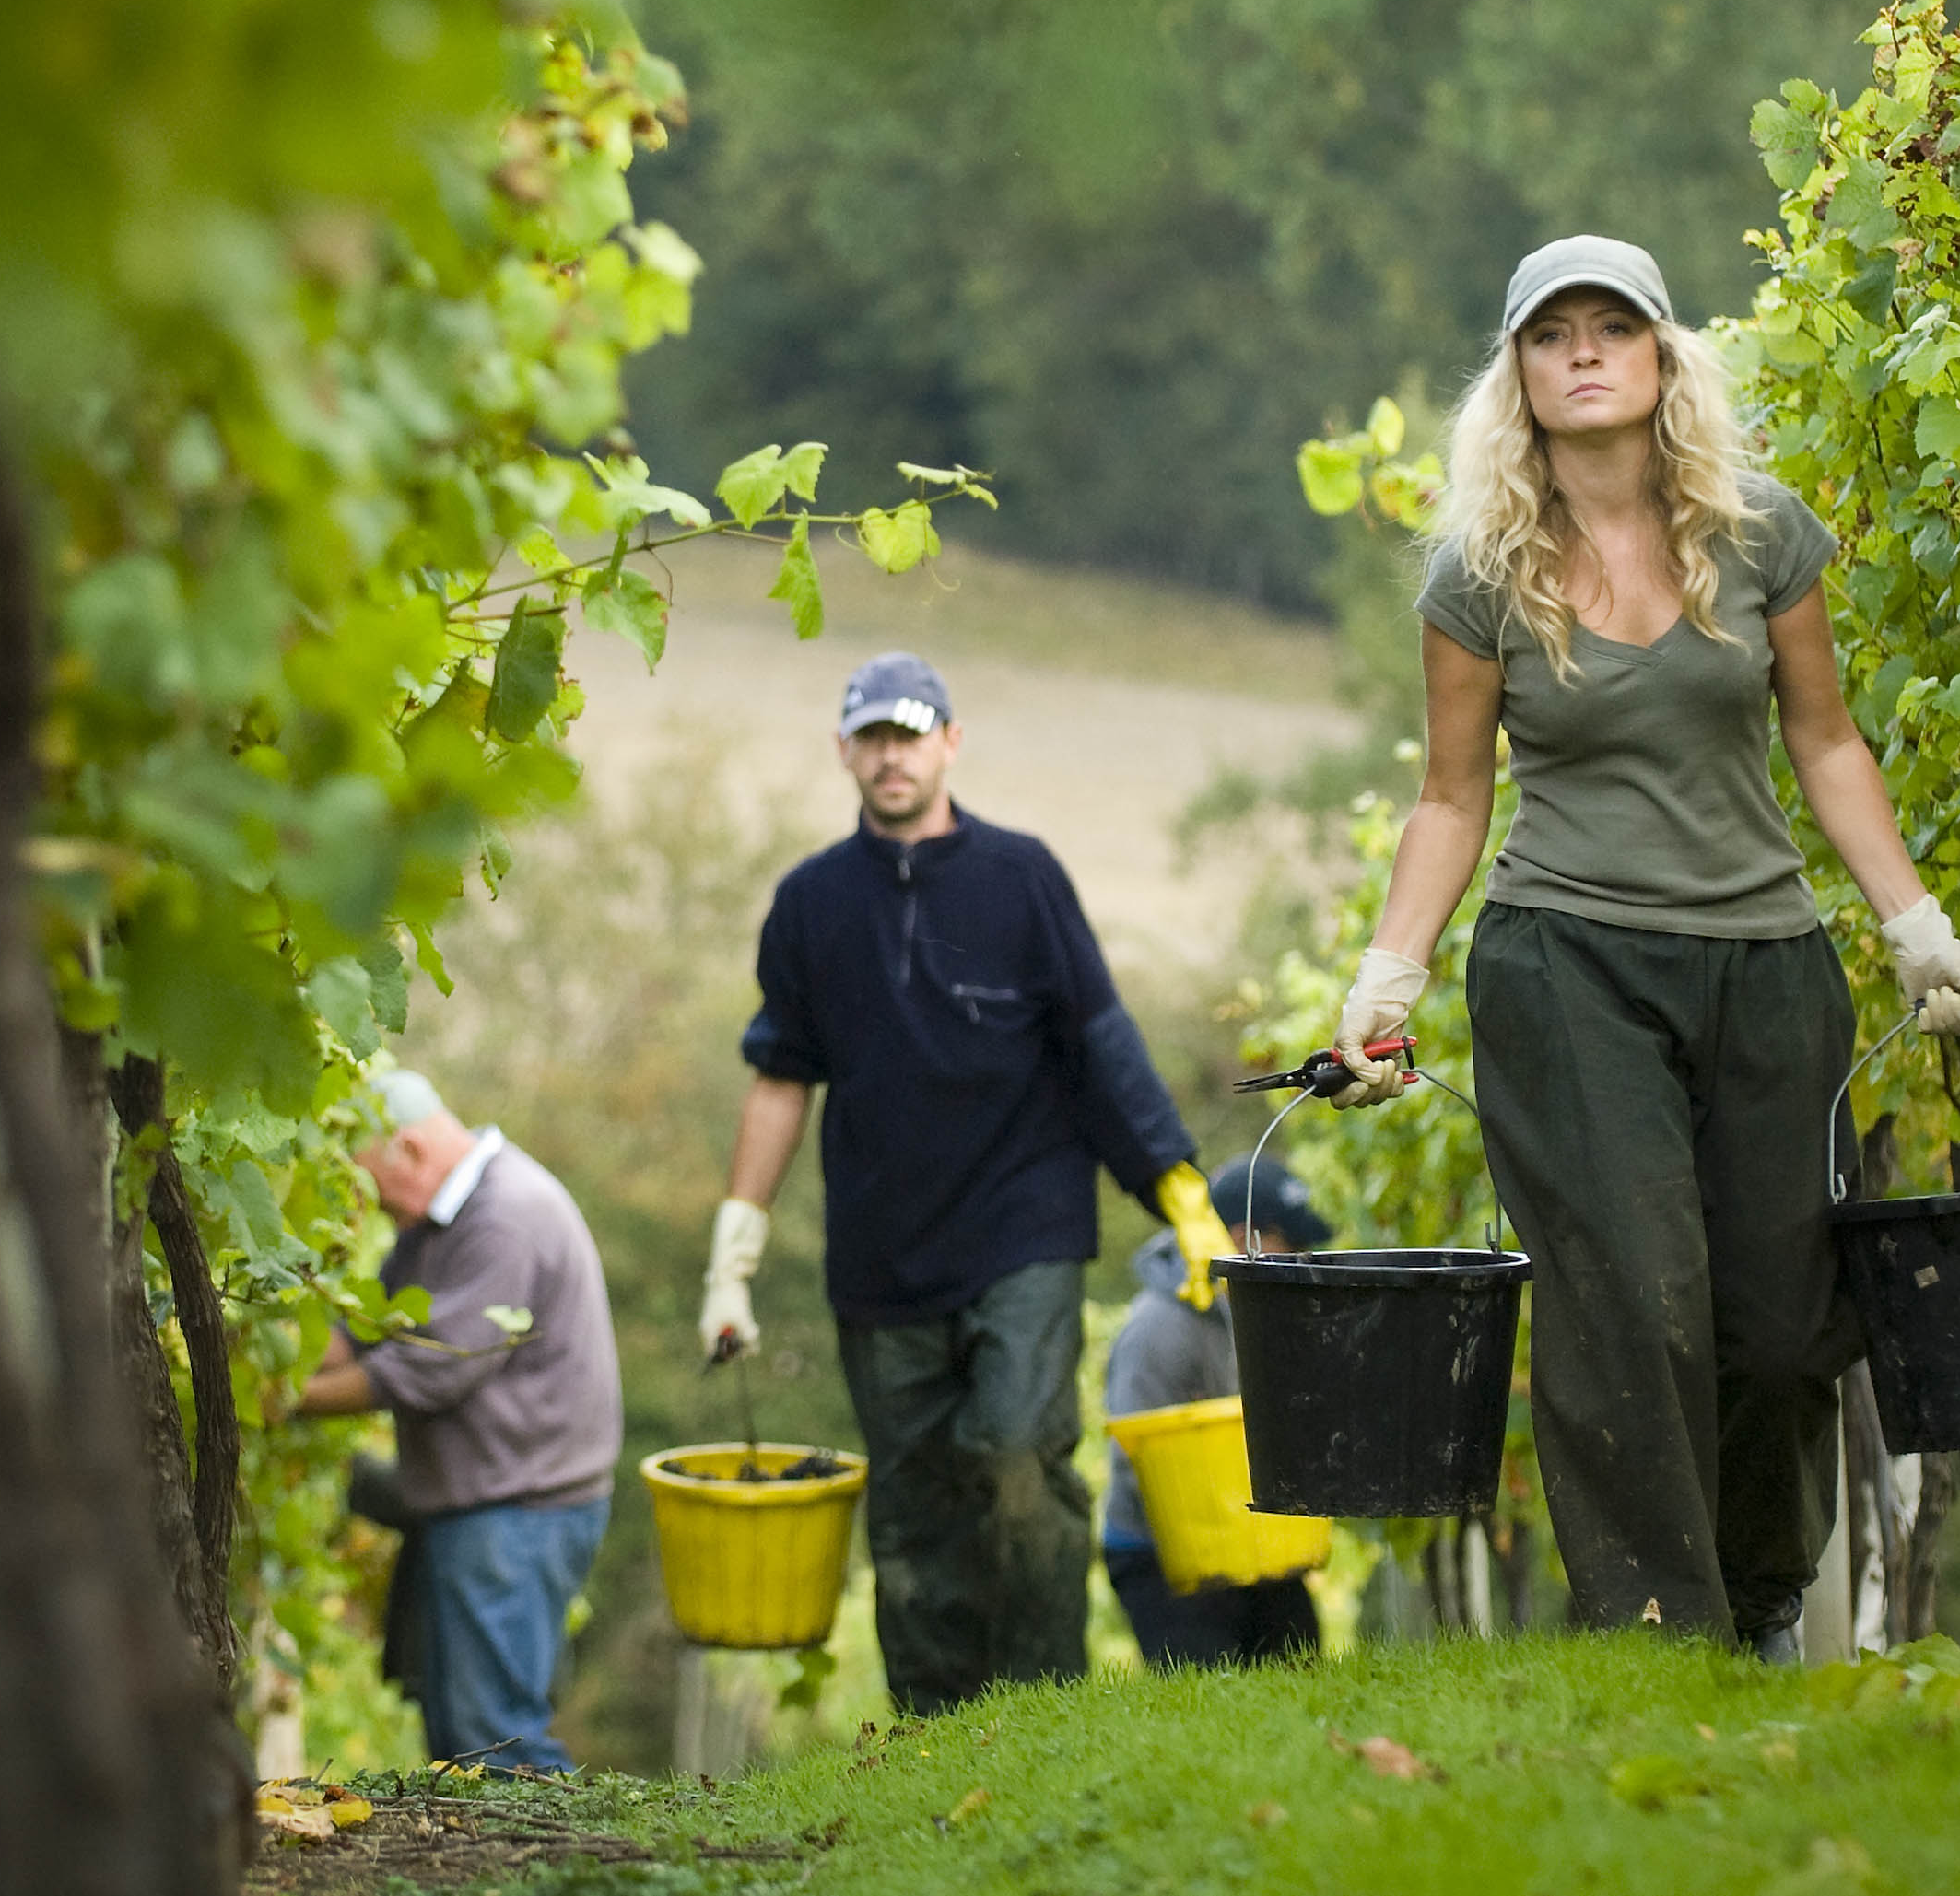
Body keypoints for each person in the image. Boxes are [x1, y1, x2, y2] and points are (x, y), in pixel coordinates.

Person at [1330, 234, 1960, 1662]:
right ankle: (1649, 1627)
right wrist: (1385, 980)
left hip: (1765, 963)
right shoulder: (1476, 574)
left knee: (1776, 1325)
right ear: (1515, 371)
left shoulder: (1761, 535)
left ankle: (1756, 1597)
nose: (1581, 350)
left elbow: (1824, 737)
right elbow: (1453, 795)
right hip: (1565, 961)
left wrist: (1912, 922)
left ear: (1659, 356)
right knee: (1632, 1295)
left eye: (1609, 327)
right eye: (1550, 332)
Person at [699, 650, 1229, 1715]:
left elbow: (1100, 1046)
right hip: (881, 1247)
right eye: (871, 735)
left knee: (1016, 1448)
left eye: (910, 731)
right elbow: (778, 1080)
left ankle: (1042, 1705)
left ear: (950, 740)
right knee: (911, 1501)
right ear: (844, 750)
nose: (891, 754)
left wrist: (1179, 1189)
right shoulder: (808, 903)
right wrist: (732, 1256)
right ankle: (939, 1726)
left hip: (1021, 1226)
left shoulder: (1020, 877)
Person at [286, 1071, 621, 1770]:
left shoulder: (504, 1215)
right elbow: (373, 1324)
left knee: (495, 1734)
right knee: (459, 1734)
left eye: (376, 1184)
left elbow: (434, 1367)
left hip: (521, 1510)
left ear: (409, 1149)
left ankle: (573, 1873)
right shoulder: (441, 1216)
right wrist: (275, 1359)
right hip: (487, 1506)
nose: (377, 1207)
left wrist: (291, 1399)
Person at [1100, 1156, 1330, 1669]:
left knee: (1298, 1666)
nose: (1299, 1258)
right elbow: (1135, 1458)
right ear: (1242, 1236)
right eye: (1289, 1244)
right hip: (1162, 1551)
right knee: (1209, 1684)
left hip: (1248, 1540)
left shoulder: (1260, 1314)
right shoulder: (1158, 1329)